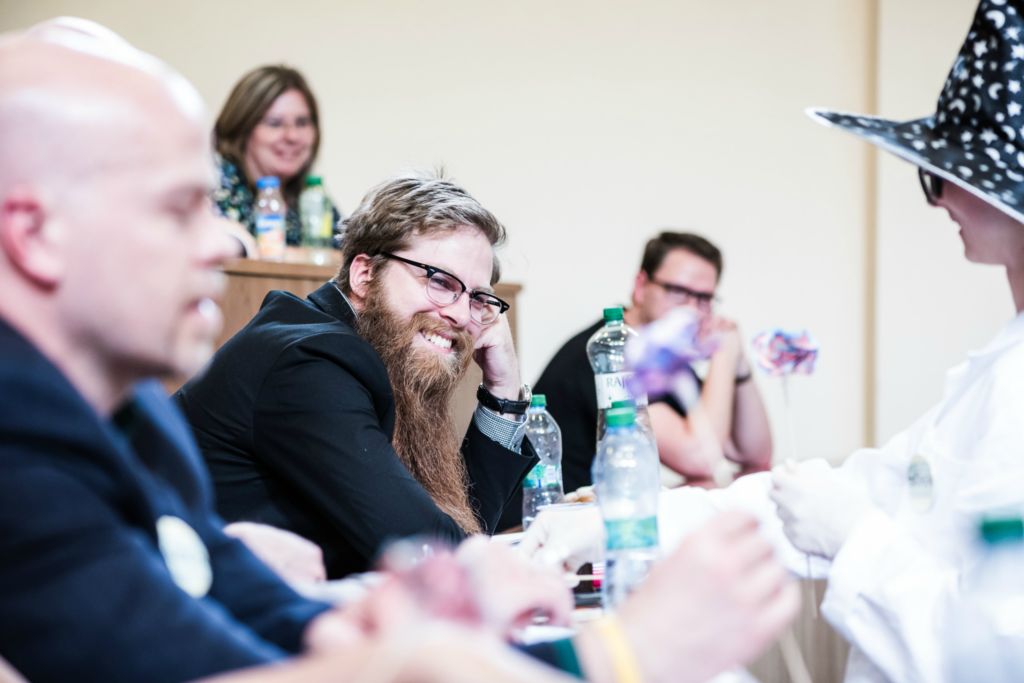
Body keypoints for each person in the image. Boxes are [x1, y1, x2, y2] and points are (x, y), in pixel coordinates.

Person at [523, 1, 1024, 680]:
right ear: (640, 284)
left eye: (945, 174)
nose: (937, 200)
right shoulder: (995, 372)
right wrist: (622, 522)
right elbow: (793, 489)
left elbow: (998, 649)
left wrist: (855, 539)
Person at [176, 172, 539, 578]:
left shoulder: (372, 355)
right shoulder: (308, 364)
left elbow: (463, 528)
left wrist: (502, 391)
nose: (459, 313)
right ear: (364, 275)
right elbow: (433, 557)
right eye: (440, 281)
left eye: (477, 297)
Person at [524, 232, 771, 510]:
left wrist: (739, 365)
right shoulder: (612, 354)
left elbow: (752, 454)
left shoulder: (664, 358)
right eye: (678, 291)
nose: (692, 309)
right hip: (541, 521)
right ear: (641, 286)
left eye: (703, 298)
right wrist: (724, 353)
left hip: (606, 514)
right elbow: (701, 457)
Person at [213, 65, 342, 249]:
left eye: (302, 123)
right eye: (275, 123)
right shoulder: (213, 183)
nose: (292, 136)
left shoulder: (309, 195)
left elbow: (349, 254)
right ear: (242, 128)